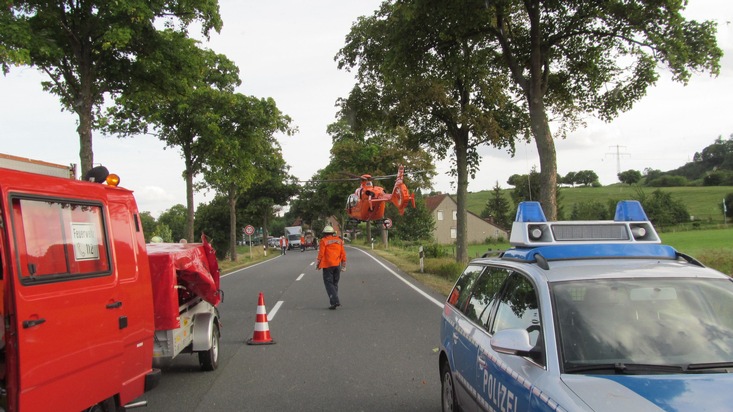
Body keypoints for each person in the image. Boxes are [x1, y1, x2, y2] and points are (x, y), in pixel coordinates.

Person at [315, 225, 347, 310]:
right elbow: (343, 253)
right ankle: (333, 302)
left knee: (329, 283)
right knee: (335, 283)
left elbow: (321, 253)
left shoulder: (324, 241)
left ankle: (335, 301)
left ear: (325, 234)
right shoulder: (339, 241)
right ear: (332, 233)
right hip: (337, 265)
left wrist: (318, 264)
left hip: (327, 265)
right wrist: (344, 264)